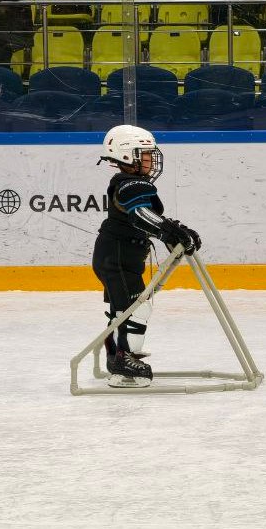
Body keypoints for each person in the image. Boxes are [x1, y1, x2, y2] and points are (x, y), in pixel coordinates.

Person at [92, 125, 203, 388]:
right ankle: (124, 360)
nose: (151, 159)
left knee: (123, 308)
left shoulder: (129, 183)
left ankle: (117, 356)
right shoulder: (130, 184)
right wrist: (170, 232)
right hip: (117, 258)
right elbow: (140, 214)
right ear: (126, 155)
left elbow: (148, 217)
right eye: (144, 154)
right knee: (137, 307)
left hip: (118, 256)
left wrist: (174, 229)